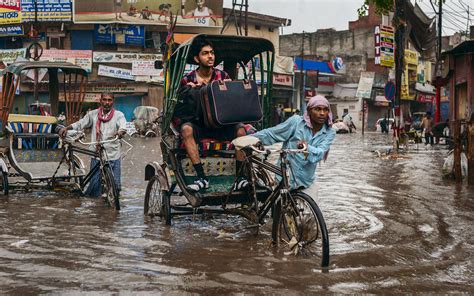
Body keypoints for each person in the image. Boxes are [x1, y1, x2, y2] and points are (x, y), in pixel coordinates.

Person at [174, 38, 247, 192]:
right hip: (199, 124)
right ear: (197, 58)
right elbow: (181, 111)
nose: (210, 56)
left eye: (212, 53)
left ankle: (240, 177)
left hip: (220, 124)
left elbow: (231, 103)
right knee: (186, 129)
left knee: (241, 130)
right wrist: (191, 91)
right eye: (205, 53)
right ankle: (201, 177)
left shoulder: (223, 76)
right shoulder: (188, 80)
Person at [252, 95, 336, 189]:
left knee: (311, 202)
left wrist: (306, 148)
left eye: (325, 110)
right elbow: (273, 134)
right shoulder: (296, 122)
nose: (322, 113)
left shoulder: (330, 132)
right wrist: (251, 139)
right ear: (309, 111)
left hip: (306, 182)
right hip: (284, 179)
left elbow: (320, 153)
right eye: (317, 109)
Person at [59, 93, 127, 197]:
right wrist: (67, 128)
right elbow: (81, 123)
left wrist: (120, 132)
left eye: (109, 100)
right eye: (104, 100)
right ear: (101, 101)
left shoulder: (119, 115)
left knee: (116, 186)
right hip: (96, 152)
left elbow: (123, 125)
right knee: (95, 188)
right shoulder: (93, 114)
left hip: (113, 153)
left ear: (113, 102)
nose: (107, 103)